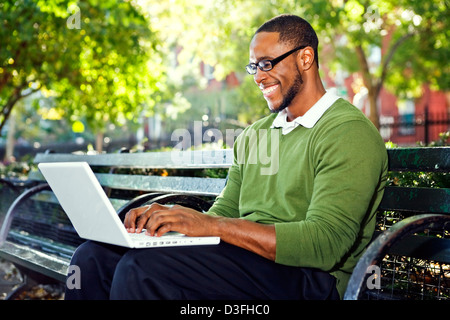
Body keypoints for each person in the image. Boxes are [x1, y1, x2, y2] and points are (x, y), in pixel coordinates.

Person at [65, 14, 388, 300]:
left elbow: (324, 245)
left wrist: (209, 224)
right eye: (254, 67)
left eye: (267, 64)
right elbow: (227, 211)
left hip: (308, 280)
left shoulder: (347, 132)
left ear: (305, 58)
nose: (259, 77)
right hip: (246, 262)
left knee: (146, 269)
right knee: (93, 258)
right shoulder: (257, 134)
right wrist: (169, 231)